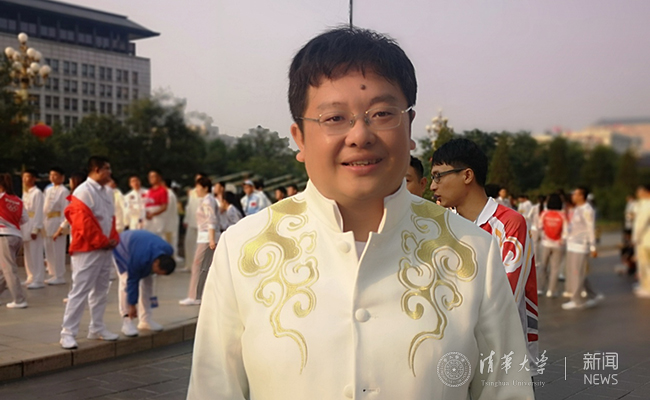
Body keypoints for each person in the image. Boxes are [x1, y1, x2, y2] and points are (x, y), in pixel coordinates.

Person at [187, 27, 533, 400]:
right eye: (334, 118)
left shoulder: (472, 253)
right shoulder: (244, 251)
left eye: (382, 113)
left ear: (410, 127)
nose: (359, 135)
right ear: (299, 137)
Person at [430, 138, 539, 376]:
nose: (432, 186)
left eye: (438, 176)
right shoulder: (445, 225)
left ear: (467, 175)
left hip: (504, 360)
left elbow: (504, 297)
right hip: (458, 358)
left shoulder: (509, 224)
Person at [60, 156, 120, 350]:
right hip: (87, 249)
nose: (110, 172)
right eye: (107, 168)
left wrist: (113, 238)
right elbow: (82, 223)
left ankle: (97, 327)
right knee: (80, 291)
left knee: (101, 290)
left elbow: (111, 219)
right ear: (96, 170)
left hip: (104, 247)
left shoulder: (107, 192)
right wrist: (103, 241)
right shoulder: (83, 191)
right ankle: (67, 333)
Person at [113, 229, 175, 336]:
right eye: (157, 272)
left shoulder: (168, 250)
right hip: (122, 246)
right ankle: (127, 321)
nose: (157, 274)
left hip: (140, 243)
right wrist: (132, 305)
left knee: (148, 282)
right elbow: (132, 282)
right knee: (125, 282)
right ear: (156, 262)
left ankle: (145, 319)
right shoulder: (138, 259)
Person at [562, 187, 602, 310]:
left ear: (581, 196)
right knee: (576, 272)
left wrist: (593, 247)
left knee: (576, 274)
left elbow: (590, 228)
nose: (573, 196)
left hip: (580, 245)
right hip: (572, 244)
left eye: (575, 194)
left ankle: (577, 300)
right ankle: (593, 295)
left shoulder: (587, 210)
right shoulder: (577, 209)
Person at [180, 177, 219, 306]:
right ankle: (199, 294)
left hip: (207, 237)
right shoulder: (206, 200)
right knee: (203, 266)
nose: (196, 190)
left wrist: (211, 239)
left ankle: (194, 295)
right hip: (205, 236)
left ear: (205, 188)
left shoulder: (207, 201)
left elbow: (211, 220)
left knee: (198, 265)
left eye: (198, 187)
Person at [0, 173, 29, 308]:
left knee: (8, 269)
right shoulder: (17, 200)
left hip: (3, 236)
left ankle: (19, 300)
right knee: (4, 269)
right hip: (16, 236)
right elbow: (24, 219)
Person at [43, 167, 70, 285]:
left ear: (62, 177)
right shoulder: (48, 190)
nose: (52, 177)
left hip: (57, 221)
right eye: (51, 175)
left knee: (58, 250)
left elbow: (65, 210)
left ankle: (59, 275)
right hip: (47, 221)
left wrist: (62, 227)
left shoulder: (64, 191)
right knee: (49, 249)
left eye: (55, 175)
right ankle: (53, 273)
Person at [538, 193, 567, 298]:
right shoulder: (563, 215)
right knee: (555, 268)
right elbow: (566, 230)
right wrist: (562, 240)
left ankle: (540, 288)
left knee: (543, 266)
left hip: (545, 243)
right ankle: (551, 290)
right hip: (558, 244)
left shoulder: (544, 214)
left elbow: (539, 226)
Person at [21, 169, 45, 289]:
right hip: (25, 224)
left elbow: (39, 211)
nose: (25, 179)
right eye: (24, 177)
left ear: (34, 178)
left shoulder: (37, 193)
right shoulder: (25, 193)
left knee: (36, 253)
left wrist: (36, 228)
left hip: (33, 224)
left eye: (28, 177)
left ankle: (38, 279)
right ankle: (30, 276)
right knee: (28, 253)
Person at [183, 174, 206, 272]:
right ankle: (189, 265)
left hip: (203, 223)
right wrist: (186, 219)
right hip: (192, 222)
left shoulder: (208, 192)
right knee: (189, 243)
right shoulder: (192, 192)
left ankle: (199, 266)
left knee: (200, 246)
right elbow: (189, 206)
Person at [632, 184, 650, 298]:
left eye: (640, 191)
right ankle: (643, 285)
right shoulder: (642, 204)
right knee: (644, 264)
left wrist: (635, 238)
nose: (638, 194)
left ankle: (647, 288)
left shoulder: (647, 205)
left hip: (645, 239)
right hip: (644, 238)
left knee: (645, 264)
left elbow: (641, 223)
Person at [144, 169, 168, 237]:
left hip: (158, 219)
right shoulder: (149, 191)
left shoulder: (162, 190)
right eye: (150, 177)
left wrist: (153, 214)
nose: (151, 179)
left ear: (159, 177)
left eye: (153, 176)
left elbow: (164, 207)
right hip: (148, 220)